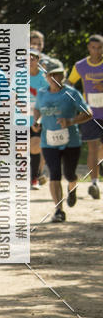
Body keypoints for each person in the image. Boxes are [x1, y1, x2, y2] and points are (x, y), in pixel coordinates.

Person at [34, 62, 92, 222]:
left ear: (63, 76)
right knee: (54, 174)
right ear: (46, 77)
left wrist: (71, 121)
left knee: (69, 174)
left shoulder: (71, 93)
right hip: (48, 141)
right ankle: (59, 210)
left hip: (71, 142)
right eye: (50, 75)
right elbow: (37, 109)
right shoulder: (42, 93)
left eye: (57, 74)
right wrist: (36, 121)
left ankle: (72, 188)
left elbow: (88, 113)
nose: (54, 78)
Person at [68, 34, 103, 199]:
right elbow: (69, 83)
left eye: (99, 48)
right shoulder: (80, 66)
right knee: (93, 148)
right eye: (93, 47)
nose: (96, 51)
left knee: (99, 151)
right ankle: (94, 184)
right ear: (89, 48)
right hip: (90, 113)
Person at [29, 49, 49, 189]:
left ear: (38, 60)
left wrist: (39, 120)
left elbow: (47, 100)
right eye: (27, 59)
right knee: (21, 149)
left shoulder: (44, 78)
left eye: (33, 58)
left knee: (35, 146)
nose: (30, 61)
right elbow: (11, 96)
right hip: (20, 118)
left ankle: (34, 178)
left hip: (38, 117)